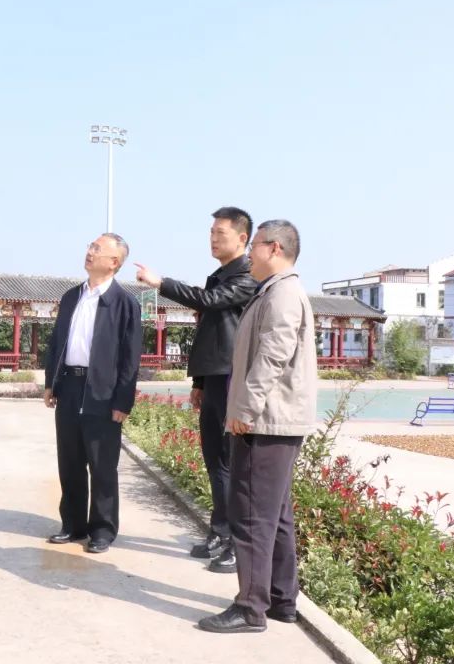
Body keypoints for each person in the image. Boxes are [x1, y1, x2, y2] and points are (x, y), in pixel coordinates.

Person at [198, 220, 317, 634]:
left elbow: (273, 356)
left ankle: (250, 608)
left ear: (275, 248)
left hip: (266, 421)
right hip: (276, 420)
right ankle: (282, 600)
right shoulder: (276, 290)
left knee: (250, 517)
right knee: (275, 515)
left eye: (256, 246)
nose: (250, 254)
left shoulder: (282, 293)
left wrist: (245, 408)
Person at [134, 207, 257, 573]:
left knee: (232, 463)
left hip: (232, 378)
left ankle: (237, 543)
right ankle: (219, 531)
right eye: (211, 233)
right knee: (215, 459)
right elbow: (213, 330)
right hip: (215, 377)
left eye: (220, 233)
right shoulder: (221, 274)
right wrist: (200, 382)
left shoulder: (247, 275)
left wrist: (161, 283)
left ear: (242, 238)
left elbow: (209, 302)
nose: (213, 239)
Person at [43, 233, 142, 554]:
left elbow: (130, 358)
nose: (89, 252)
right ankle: (73, 524)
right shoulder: (72, 296)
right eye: (90, 246)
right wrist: (51, 382)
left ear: (114, 262)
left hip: (103, 392)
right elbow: (57, 342)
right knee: (70, 460)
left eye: (97, 249)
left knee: (102, 464)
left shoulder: (124, 303)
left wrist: (123, 401)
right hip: (70, 386)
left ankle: (102, 529)